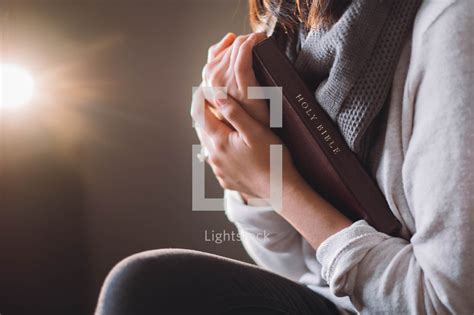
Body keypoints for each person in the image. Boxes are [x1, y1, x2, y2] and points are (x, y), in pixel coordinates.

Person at [95, 1, 474, 314]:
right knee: (156, 288)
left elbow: (446, 304)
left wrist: (275, 184)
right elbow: (295, 266)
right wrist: (249, 174)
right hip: (349, 303)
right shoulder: (296, 34)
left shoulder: (452, 25)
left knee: (143, 287)